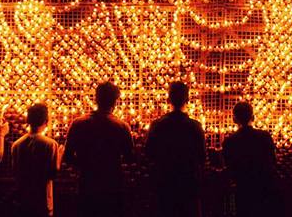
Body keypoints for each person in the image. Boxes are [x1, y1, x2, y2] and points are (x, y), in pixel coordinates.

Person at [63, 82, 134, 217]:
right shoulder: (122, 127)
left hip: (87, 184)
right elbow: (130, 158)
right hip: (113, 186)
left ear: (96, 99)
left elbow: (68, 156)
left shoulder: (78, 124)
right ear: (115, 101)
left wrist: (86, 165)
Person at [145, 81, 205, 217]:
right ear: (187, 99)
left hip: (164, 184)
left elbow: (148, 153)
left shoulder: (157, 126)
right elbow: (202, 157)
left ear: (168, 99)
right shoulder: (195, 127)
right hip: (188, 184)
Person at [222, 101, 279, 217]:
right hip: (264, 190)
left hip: (242, 191)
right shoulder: (265, 137)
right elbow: (273, 162)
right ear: (253, 117)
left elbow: (229, 168)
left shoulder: (229, 142)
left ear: (234, 119)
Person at [11, 103, 62, 217]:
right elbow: (53, 173)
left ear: (28, 120)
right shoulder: (50, 144)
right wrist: (60, 156)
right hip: (42, 201)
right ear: (46, 121)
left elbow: (14, 171)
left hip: (22, 200)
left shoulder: (16, 144)